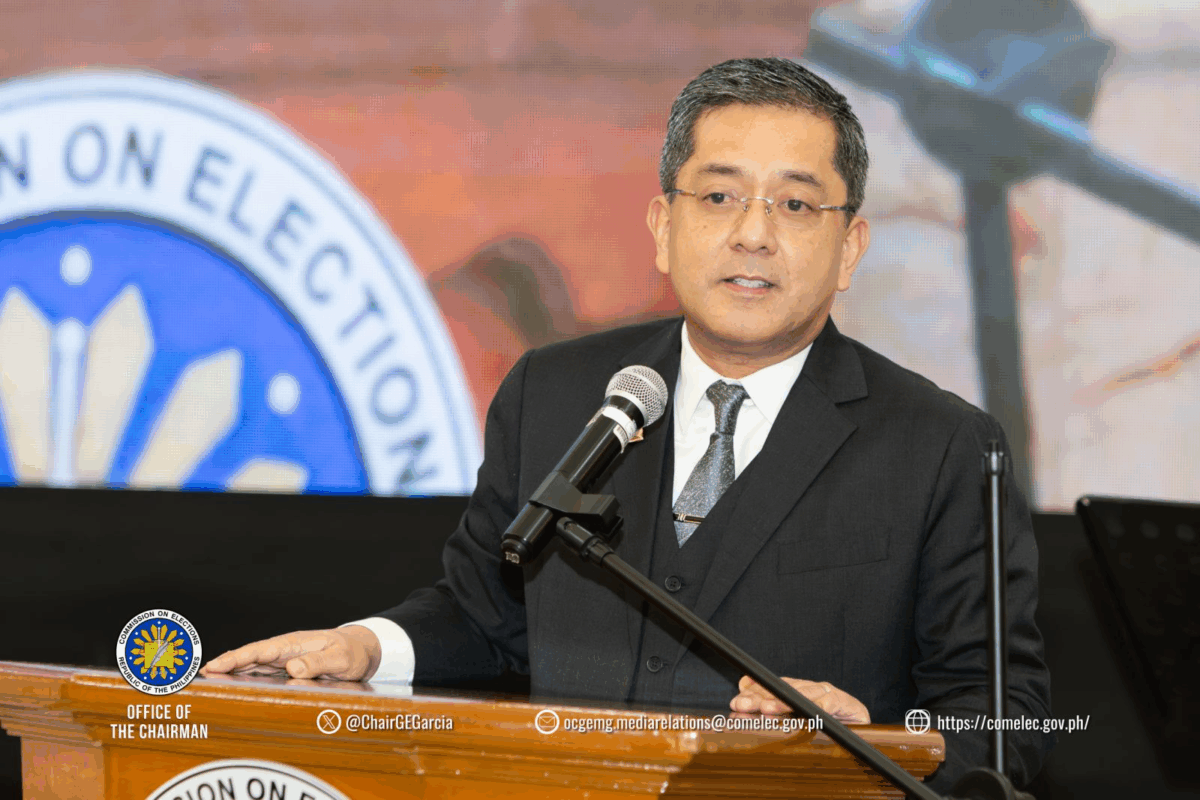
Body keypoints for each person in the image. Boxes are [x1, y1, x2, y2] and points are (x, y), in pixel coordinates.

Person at [202, 57, 1053, 790]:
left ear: (851, 248)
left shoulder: (942, 446)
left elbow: (1007, 723)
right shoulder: (556, 392)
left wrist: (871, 736)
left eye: (795, 206)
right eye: (719, 196)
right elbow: (488, 615)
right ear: (663, 226)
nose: (752, 234)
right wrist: (363, 647)